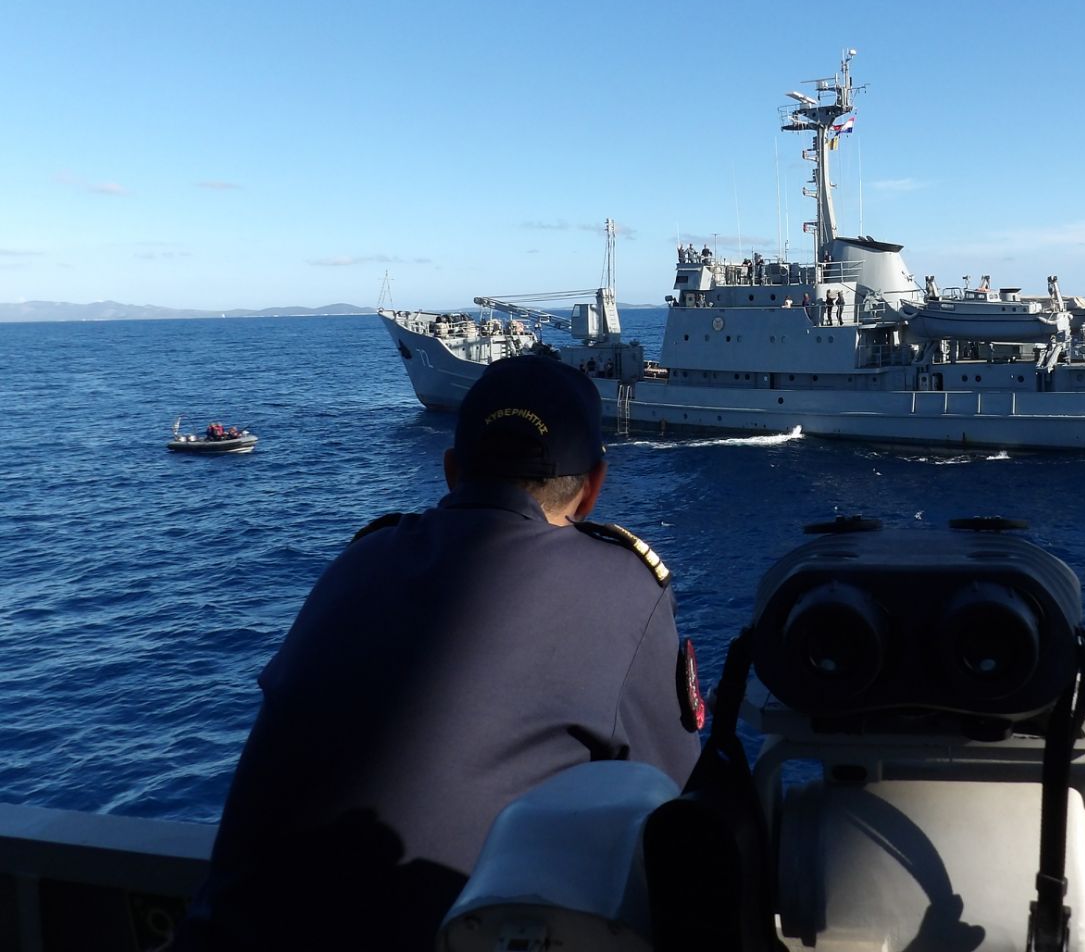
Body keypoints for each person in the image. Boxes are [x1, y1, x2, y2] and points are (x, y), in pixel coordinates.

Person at [179, 356, 702, 951]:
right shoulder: (621, 588)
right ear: (594, 488)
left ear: (452, 470)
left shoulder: (358, 562)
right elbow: (675, 802)